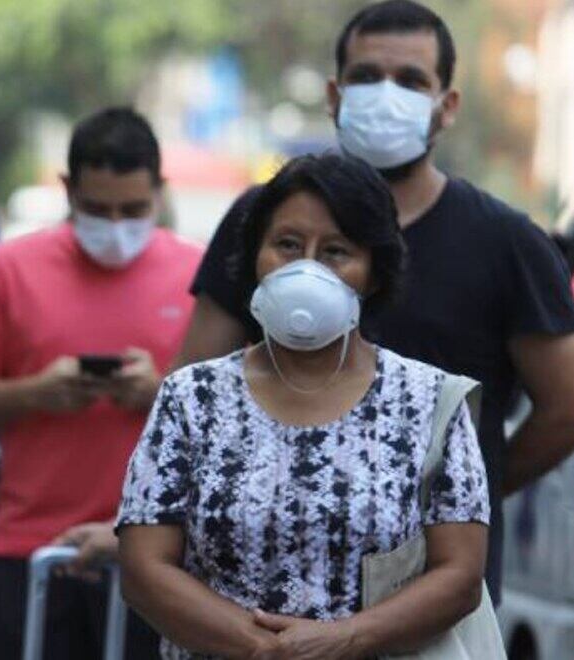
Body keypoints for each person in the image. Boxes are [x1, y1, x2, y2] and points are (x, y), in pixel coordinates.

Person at [177, 0, 574, 603]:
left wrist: (455, 499)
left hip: (425, 595)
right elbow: (192, 386)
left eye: (410, 81)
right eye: (367, 77)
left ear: (447, 105)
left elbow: (572, 411)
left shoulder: (507, 243)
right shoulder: (261, 219)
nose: (385, 95)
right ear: (334, 93)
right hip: (254, 591)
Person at [118, 153, 490, 659]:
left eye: (336, 251)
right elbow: (144, 570)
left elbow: (460, 575)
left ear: (374, 273)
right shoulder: (191, 398)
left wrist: (344, 640)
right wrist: (265, 649)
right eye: (288, 245)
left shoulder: (429, 402)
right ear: (256, 256)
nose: (308, 268)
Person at [0, 108, 203, 660]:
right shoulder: (10, 267)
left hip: (158, 555)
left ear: (160, 191)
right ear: (67, 190)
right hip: (29, 546)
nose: (116, 225)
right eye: (96, 209)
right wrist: (35, 392)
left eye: (133, 210)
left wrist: (159, 392)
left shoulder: (200, 275)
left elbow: (240, 410)